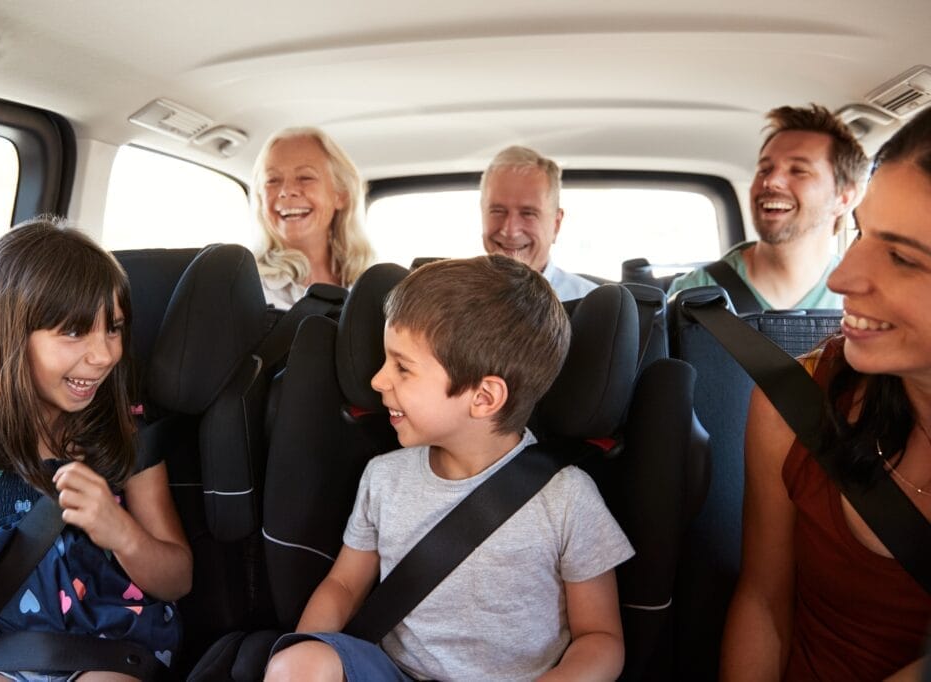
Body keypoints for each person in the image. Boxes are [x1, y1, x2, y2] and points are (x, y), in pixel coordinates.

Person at [264, 254, 633, 681]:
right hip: (398, 673)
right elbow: (344, 586)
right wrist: (308, 647)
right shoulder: (383, 478)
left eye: (402, 367)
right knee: (298, 664)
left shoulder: (567, 498)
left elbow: (600, 637)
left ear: (483, 397)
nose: (378, 381)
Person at [0, 218, 192, 680]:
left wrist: (120, 530)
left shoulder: (125, 435)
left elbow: (179, 579)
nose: (103, 354)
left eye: (114, 329)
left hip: (108, 648)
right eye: (75, 332)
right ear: (9, 337)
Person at [721, 108, 931, 681]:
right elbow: (764, 601)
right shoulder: (797, 406)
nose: (842, 279)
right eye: (863, 234)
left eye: (904, 258)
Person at [668, 104, 868, 310]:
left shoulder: (863, 297)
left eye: (798, 170)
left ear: (843, 198)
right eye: (764, 169)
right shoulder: (694, 293)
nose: (771, 181)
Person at [252, 126, 376, 309]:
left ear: (341, 195)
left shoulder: (370, 283)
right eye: (272, 180)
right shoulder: (249, 285)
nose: (286, 191)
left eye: (305, 177)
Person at [480, 145, 597, 301]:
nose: (510, 230)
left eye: (528, 213)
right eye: (497, 211)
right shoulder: (449, 298)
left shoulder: (591, 304)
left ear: (556, 224)